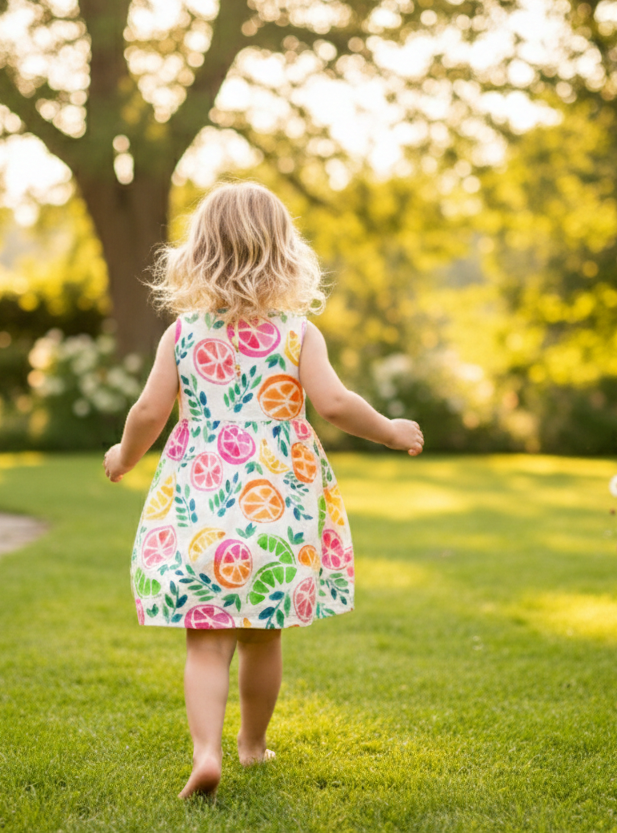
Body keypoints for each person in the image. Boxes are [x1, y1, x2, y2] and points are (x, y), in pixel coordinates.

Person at [102, 181, 424, 799]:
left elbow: (148, 411)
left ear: (199, 254)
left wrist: (124, 456)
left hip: (201, 502)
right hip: (277, 505)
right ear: (284, 251)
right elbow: (333, 402)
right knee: (262, 633)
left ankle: (206, 752)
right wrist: (388, 431)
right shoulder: (297, 333)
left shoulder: (183, 334)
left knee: (206, 637)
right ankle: (251, 745)